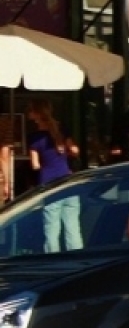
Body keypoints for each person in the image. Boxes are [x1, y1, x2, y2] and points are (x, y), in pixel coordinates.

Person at [26, 99, 82, 252]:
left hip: (49, 184)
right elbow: (75, 150)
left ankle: (53, 262)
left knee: (51, 230)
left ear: (36, 115)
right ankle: (77, 261)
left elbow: (35, 165)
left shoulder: (35, 138)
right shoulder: (62, 129)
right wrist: (66, 153)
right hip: (68, 181)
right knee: (73, 228)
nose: (28, 114)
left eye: (30, 111)